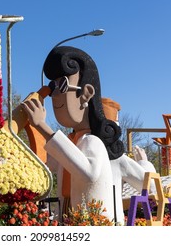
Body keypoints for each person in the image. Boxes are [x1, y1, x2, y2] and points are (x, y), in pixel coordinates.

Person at [22, 46, 123, 222]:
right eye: (52, 88)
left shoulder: (92, 142)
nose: (55, 96)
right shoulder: (72, 141)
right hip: (69, 220)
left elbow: (87, 173)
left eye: (62, 85)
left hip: (94, 224)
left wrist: (42, 127)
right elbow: (48, 166)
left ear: (86, 94)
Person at [102, 97, 156, 225]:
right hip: (111, 221)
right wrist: (144, 163)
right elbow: (150, 186)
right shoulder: (117, 158)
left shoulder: (79, 147)